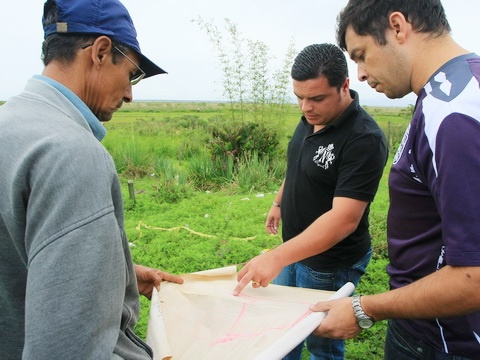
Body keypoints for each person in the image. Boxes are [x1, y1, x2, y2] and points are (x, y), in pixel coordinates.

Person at [0, 0, 183, 359]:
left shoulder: (9, 127)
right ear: (100, 52)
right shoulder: (73, 153)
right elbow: (68, 349)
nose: (130, 94)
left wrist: (114, 276)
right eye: (132, 74)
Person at [310, 1, 480, 359]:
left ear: (398, 27)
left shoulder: (451, 113)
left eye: (362, 55)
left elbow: (473, 277)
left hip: (442, 341)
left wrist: (364, 308)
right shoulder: (460, 88)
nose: (359, 74)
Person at [233, 43, 388, 360]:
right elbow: (297, 165)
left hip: (328, 262)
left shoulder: (363, 139)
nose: (306, 107)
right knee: (283, 326)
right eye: (299, 97)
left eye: (316, 98)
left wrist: (276, 257)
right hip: (293, 246)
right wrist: (278, 203)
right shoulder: (310, 118)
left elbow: (344, 220)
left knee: (321, 340)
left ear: (344, 86)